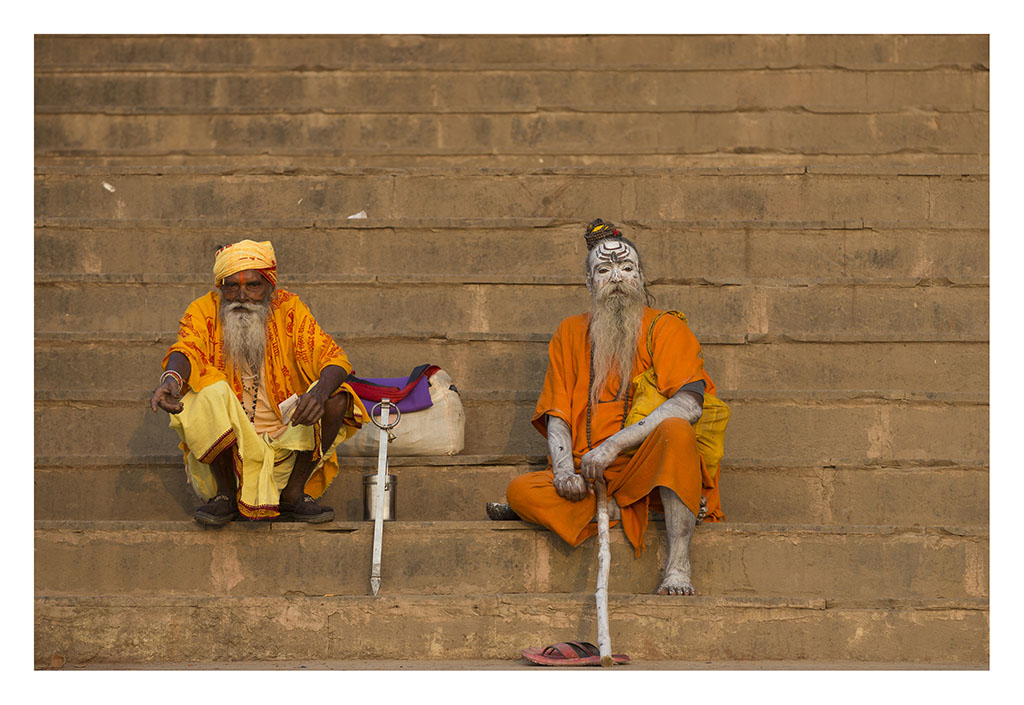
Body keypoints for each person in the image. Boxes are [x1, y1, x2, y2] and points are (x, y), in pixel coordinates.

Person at [491, 219, 725, 595]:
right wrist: (565, 470)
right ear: (589, 284)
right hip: (590, 475)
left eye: (627, 268)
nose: (616, 277)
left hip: (646, 464)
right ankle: (629, 508)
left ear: (642, 277)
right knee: (521, 491)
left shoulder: (666, 328)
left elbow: (689, 404)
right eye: (604, 269)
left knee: (677, 430)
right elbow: (557, 415)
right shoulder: (569, 333)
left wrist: (614, 445)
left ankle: (678, 565)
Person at [149, 239, 367, 526]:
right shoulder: (204, 310)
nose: (242, 296)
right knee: (207, 393)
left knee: (338, 396)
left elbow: (335, 359)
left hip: (286, 441)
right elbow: (186, 349)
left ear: (269, 287)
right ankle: (225, 495)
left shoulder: (289, 309)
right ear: (220, 286)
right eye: (232, 286)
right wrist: (172, 378)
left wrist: (319, 393)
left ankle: (293, 494)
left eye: (253, 286)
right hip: (230, 451)